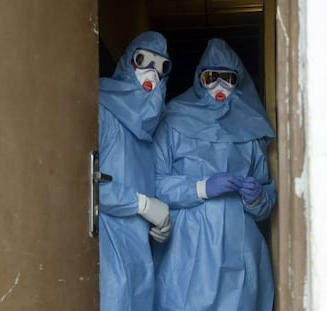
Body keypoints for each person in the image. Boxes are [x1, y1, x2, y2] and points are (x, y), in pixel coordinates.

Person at [152, 38, 277, 311]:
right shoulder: (173, 121)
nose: (219, 86)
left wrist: (256, 198)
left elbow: (266, 201)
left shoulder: (250, 131)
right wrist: (200, 188)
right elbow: (154, 183)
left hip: (240, 247)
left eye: (228, 78)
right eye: (212, 77)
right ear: (200, 79)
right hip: (186, 246)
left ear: (239, 81)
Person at [98, 31, 172, 311]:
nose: (152, 72)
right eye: (144, 61)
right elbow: (85, 182)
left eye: (162, 66)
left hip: (139, 251)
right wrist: (141, 204)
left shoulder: (151, 128)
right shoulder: (101, 108)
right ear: (128, 61)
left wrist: (160, 220)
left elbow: (150, 183)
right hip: (107, 243)